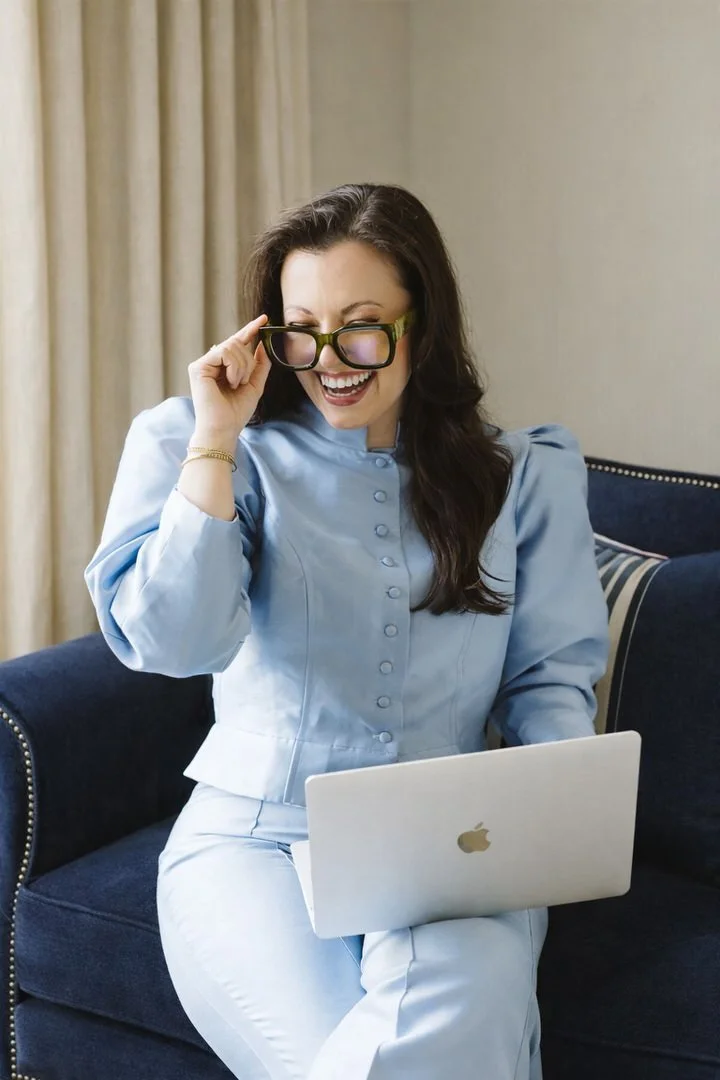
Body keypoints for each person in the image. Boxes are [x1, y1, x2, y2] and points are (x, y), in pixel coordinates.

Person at [85, 182, 609, 1080]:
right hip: (249, 838)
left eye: (363, 325)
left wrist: (548, 834)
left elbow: (549, 681)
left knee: (457, 1019)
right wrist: (215, 442)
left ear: (422, 327)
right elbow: (173, 643)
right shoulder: (207, 444)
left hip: (456, 852)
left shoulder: (519, 473)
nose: (330, 359)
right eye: (302, 329)